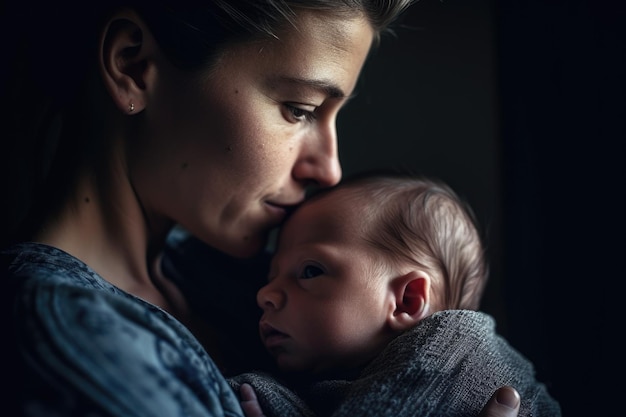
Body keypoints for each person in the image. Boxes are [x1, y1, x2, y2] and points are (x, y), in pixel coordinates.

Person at [0, 1, 522, 416]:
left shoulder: (226, 284)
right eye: (299, 110)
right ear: (134, 64)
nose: (329, 169)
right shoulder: (65, 336)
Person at [227, 171, 561, 417]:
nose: (265, 294)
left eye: (310, 271)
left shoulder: (451, 356)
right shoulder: (342, 378)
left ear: (407, 301)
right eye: (271, 276)